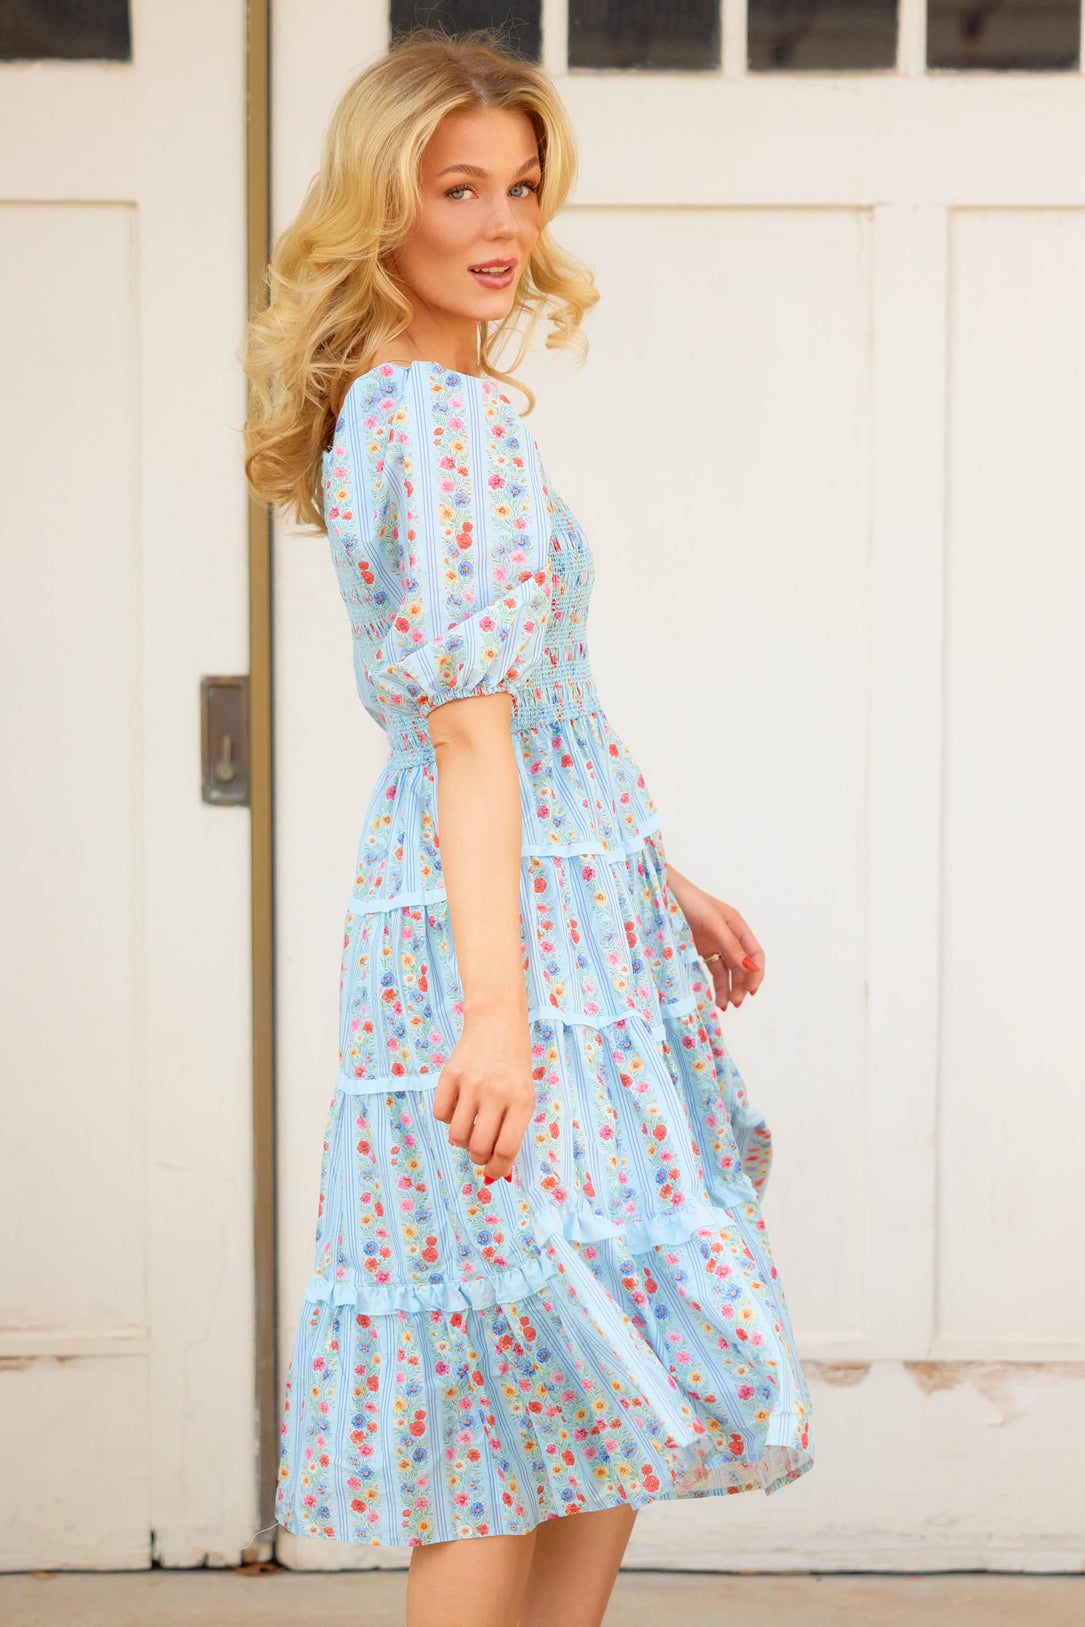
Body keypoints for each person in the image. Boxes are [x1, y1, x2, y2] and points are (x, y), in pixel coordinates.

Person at [242, 27, 813, 1627]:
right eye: (457, 189)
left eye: (523, 187)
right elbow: (469, 732)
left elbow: (521, 714)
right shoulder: (444, 419)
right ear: (383, 209)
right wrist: (499, 1021)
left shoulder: (405, 406)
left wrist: (656, 878)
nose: (501, 225)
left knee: (584, 1337)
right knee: (520, 1367)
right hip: (508, 949)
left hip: (535, 906)